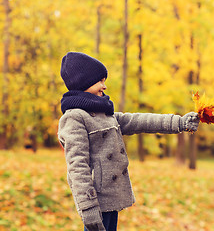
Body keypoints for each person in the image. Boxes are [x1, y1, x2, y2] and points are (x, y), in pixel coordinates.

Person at [57, 52, 199, 231]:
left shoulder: (105, 113)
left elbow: (140, 121)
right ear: (83, 82)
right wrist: (88, 207)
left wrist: (179, 122)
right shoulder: (74, 118)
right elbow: (77, 166)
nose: (105, 86)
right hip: (95, 201)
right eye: (100, 81)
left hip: (111, 198)